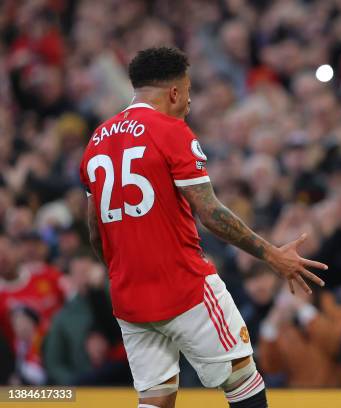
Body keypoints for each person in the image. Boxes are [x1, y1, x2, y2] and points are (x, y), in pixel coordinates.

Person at [79, 47, 327, 408]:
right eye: (189, 91)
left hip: (129, 295)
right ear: (175, 92)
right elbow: (210, 213)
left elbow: (94, 231)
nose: (190, 102)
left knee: (155, 398)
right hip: (185, 286)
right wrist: (271, 254)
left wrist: (125, 271)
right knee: (242, 376)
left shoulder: (96, 140)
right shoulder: (170, 130)